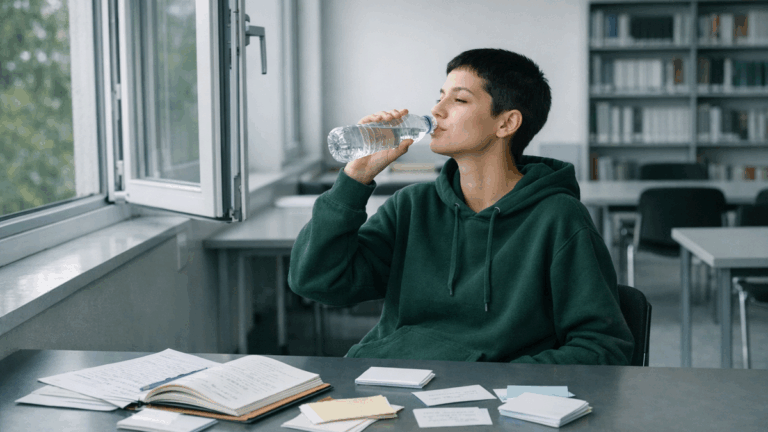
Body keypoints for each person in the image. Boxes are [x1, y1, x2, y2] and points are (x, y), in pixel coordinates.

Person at [288, 48, 633, 365]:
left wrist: (497, 380)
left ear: (506, 123)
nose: (436, 111)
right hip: (390, 384)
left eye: (460, 100)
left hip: (485, 403)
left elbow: (602, 346)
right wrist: (355, 178)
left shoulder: (558, 219)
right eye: (440, 97)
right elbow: (317, 282)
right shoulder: (412, 206)